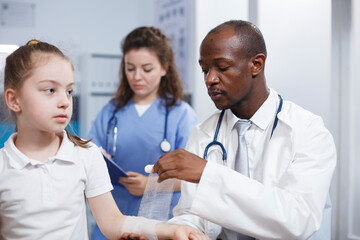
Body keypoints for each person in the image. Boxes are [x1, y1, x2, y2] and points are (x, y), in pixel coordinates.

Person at [0, 39, 208, 240]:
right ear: (13, 100)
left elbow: (113, 222)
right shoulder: (3, 167)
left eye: (70, 91)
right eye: (50, 90)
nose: (64, 101)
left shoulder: (85, 155)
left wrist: (171, 230)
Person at [152, 20, 337, 239]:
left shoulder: (307, 131)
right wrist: (178, 230)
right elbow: (191, 214)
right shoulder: (203, 133)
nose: (210, 79)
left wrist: (208, 173)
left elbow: (298, 221)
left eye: (222, 67)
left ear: (256, 64)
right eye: (205, 70)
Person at [88, 26, 198, 240]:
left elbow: (194, 178)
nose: (137, 77)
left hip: (160, 224)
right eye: (130, 68)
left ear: (164, 68)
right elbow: (90, 158)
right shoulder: (110, 112)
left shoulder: (182, 115)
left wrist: (150, 185)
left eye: (147, 69)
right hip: (111, 224)